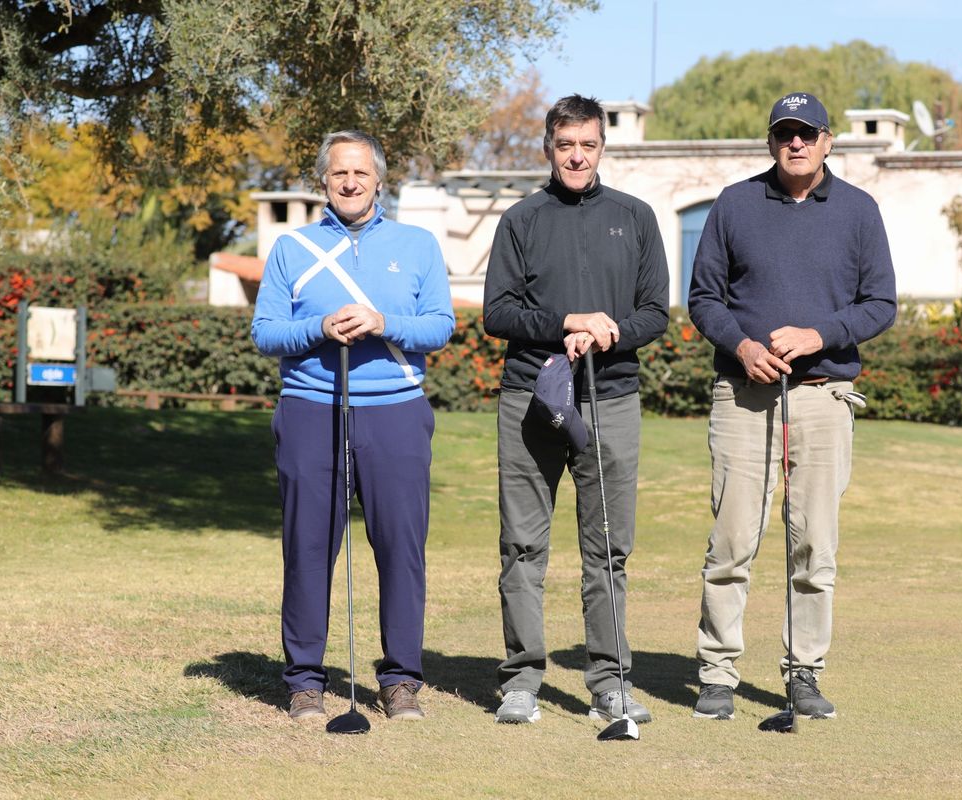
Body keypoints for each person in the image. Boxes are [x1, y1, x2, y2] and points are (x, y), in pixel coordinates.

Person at [687, 92, 897, 721]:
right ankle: (717, 674)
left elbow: (880, 305)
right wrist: (743, 346)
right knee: (732, 541)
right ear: (772, 141)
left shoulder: (859, 211)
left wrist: (820, 335)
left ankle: (803, 671)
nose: (796, 144)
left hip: (824, 398)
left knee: (815, 547)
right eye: (785, 134)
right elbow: (703, 299)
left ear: (829, 141)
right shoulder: (735, 204)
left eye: (808, 133)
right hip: (744, 396)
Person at [251, 130, 455, 722]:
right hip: (311, 407)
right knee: (309, 546)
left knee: (400, 548)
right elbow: (265, 332)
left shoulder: (417, 245)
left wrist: (384, 321)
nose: (350, 182)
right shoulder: (292, 248)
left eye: (361, 173)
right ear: (323, 181)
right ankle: (306, 681)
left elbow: (439, 327)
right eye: (339, 173)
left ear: (379, 180)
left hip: (395, 410)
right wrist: (319, 329)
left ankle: (400, 681)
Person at [483, 94, 670, 725]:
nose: (577, 156)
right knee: (522, 544)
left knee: (608, 548)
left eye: (588, 145)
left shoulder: (636, 217)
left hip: (611, 396)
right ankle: (521, 680)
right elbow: (498, 313)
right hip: (530, 396)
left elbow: (655, 313)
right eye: (566, 145)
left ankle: (610, 682)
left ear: (602, 148)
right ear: (548, 147)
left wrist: (606, 331)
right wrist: (565, 321)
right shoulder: (521, 220)